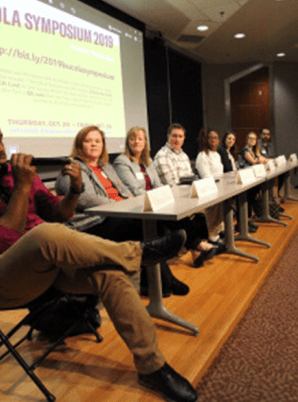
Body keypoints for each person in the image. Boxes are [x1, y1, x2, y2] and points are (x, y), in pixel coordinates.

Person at [0, 108, 198, 402]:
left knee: (111, 274)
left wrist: (75, 190)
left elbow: (58, 214)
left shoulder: (8, 173)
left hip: (47, 266)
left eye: (1, 139)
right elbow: (2, 244)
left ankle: (152, 367)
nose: (0, 148)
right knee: (42, 235)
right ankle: (136, 253)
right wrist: (22, 185)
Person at [55, 126, 189, 296]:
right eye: (88, 141)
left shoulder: (105, 166)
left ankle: (160, 281)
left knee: (152, 225)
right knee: (142, 229)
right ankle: (163, 282)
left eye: (98, 141)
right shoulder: (72, 168)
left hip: (117, 213)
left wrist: (128, 202)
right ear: (79, 145)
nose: (94, 145)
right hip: (94, 222)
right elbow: (84, 198)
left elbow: (123, 189)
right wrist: (117, 205)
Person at [114, 126, 219, 267]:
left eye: (140, 139)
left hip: (156, 200)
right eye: (133, 139)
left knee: (194, 216)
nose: (136, 142)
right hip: (140, 205)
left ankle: (197, 249)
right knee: (179, 217)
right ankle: (198, 245)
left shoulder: (147, 160)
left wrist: (162, 197)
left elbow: (157, 184)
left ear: (145, 142)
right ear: (128, 141)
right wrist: (160, 197)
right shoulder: (122, 161)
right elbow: (135, 190)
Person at [154, 123, 225, 265]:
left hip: (184, 195)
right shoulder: (162, 155)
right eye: (174, 136)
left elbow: (190, 178)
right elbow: (172, 184)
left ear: (184, 139)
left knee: (200, 216)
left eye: (180, 136)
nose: (177, 139)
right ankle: (200, 246)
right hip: (172, 198)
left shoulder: (184, 155)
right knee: (193, 217)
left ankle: (197, 252)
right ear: (168, 137)